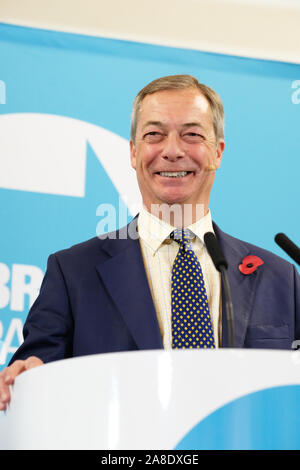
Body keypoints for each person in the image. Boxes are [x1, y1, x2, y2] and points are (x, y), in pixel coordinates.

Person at [0, 74, 299, 411]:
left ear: (218, 152)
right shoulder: (73, 273)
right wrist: (27, 376)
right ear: (133, 152)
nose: (172, 151)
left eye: (192, 135)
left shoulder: (281, 278)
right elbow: (36, 370)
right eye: (154, 135)